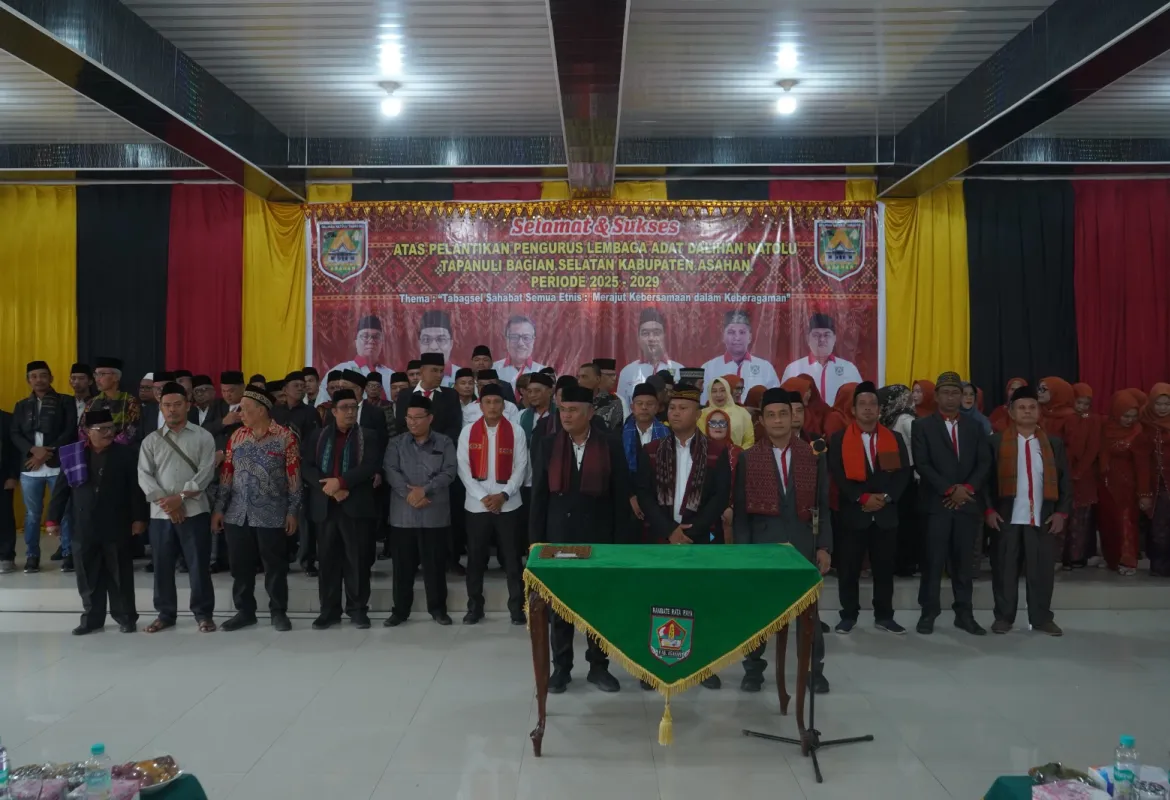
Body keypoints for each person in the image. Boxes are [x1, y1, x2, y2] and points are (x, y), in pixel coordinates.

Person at [529, 384, 628, 694]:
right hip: (559, 539)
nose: (566, 416)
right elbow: (539, 497)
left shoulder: (610, 444)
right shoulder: (548, 444)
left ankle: (599, 667)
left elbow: (620, 497)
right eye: (563, 410)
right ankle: (561, 668)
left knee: (599, 606)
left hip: (599, 538)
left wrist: (619, 546)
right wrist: (535, 544)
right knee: (560, 607)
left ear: (590, 412)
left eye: (573, 410)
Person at [732, 388, 831, 693]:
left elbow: (823, 505)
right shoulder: (749, 458)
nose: (778, 421)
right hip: (763, 546)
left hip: (803, 543)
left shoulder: (813, 455)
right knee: (759, 612)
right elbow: (741, 513)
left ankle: (813, 670)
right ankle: (753, 670)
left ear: (793, 416)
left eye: (783, 414)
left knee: (808, 612)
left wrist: (824, 546)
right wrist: (743, 553)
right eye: (771, 415)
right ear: (761, 420)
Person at [636, 381, 730, 689]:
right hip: (661, 536)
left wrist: (693, 531)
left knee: (699, 600)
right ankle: (654, 666)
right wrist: (669, 530)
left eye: (683, 408)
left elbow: (720, 497)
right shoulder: (652, 451)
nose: (675, 413)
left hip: (700, 538)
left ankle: (701, 666)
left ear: (698, 413)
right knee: (658, 600)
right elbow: (644, 494)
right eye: (673, 408)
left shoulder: (716, 451)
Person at [46, 409, 147, 634]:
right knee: (87, 575)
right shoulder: (74, 454)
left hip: (116, 523)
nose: (108, 433)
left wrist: (139, 518)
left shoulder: (126, 454)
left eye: (111, 428)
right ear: (87, 432)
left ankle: (126, 618)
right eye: (102, 429)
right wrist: (53, 519)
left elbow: (135, 490)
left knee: (120, 574)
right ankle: (92, 619)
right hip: (84, 525)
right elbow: (61, 490)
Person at [984, 385, 1071, 636]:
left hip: (1043, 517)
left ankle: (1042, 618)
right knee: (1004, 570)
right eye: (1021, 407)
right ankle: (1003, 617)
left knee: (1042, 571)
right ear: (1011, 413)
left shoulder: (1052, 443)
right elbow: (986, 481)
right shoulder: (996, 442)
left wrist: (1061, 512)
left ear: (1039, 412)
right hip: (1006, 516)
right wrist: (988, 510)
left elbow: (1065, 481)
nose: (1027, 411)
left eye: (1032, 407)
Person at [212, 388, 301, 632]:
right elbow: (227, 474)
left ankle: (278, 612)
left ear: (261, 411)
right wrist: (219, 508)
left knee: (275, 566)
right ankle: (245, 612)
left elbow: (294, 477)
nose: (240, 413)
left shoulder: (285, 437)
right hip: (237, 513)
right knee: (240, 566)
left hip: (272, 513)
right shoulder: (237, 436)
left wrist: (293, 511)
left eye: (245, 409)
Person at [910, 371, 992, 636]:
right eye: (945, 392)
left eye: (956, 392)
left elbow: (984, 462)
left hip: (967, 503)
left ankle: (964, 614)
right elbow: (922, 464)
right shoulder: (922, 426)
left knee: (963, 563)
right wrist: (949, 490)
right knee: (932, 562)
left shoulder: (975, 427)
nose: (951, 397)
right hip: (937, 505)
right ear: (936, 396)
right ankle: (928, 612)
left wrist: (966, 489)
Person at [827, 381, 912, 635]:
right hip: (854, 514)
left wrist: (885, 497)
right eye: (862, 404)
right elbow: (838, 475)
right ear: (853, 410)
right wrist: (861, 498)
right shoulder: (839, 439)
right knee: (849, 569)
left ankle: (884, 616)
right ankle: (848, 615)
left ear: (879, 409)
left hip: (885, 514)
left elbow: (902, 474)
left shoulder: (893, 438)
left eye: (872, 404)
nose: (867, 408)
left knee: (884, 569)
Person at [137, 381, 217, 632]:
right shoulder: (151, 440)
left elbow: (206, 473)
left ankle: (203, 614)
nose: (172, 410)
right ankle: (165, 614)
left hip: (195, 512)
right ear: (160, 407)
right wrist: (168, 504)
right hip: (161, 515)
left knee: (198, 566)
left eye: (177, 404)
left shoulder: (203, 436)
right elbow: (144, 476)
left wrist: (180, 498)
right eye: (167, 405)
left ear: (188, 405)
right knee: (162, 566)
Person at [302, 389, 382, 629]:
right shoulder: (317, 436)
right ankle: (329, 611)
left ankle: (358, 610)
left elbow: (370, 466)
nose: (350, 412)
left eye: (353, 407)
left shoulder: (368, 436)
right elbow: (306, 467)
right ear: (334, 411)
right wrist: (329, 488)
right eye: (345, 408)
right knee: (327, 562)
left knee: (357, 561)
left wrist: (342, 482)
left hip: (355, 505)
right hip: (326, 506)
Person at [456, 383, 529, 626]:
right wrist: (483, 497)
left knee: (512, 560)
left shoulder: (516, 431)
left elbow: (521, 467)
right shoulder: (468, 432)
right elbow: (463, 468)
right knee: (476, 560)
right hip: (477, 506)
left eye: (497, 402)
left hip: (509, 505)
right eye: (487, 402)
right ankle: (474, 608)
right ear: (480, 405)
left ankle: (517, 608)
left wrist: (503, 495)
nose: (492, 406)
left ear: (504, 405)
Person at [385, 395, 458, 626]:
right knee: (402, 568)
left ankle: (438, 610)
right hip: (403, 515)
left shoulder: (444, 442)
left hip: (434, 514)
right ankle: (400, 611)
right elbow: (391, 470)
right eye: (409, 418)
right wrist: (409, 494)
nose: (412, 422)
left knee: (435, 566)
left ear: (430, 418)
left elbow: (450, 471)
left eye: (418, 418)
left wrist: (424, 490)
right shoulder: (396, 443)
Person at [13, 360, 77, 574]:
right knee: (32, 515)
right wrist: (33, 450)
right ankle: (32, 556)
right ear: (28, 381)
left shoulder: (65, 401)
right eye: (34, 376)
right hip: (30, 467)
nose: (38, 380)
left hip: (58, 465)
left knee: (65, 512)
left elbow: (70, 430)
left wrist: (47, 451)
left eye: (43, 375)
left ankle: (68, 553)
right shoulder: (22, 405)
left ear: (51, 378)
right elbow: (15, 433)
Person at [1097, 390, 1151, 576]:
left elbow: (1143, 467)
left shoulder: (1138, 433)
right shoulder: (1105, 427)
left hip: (1127, 486)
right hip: (1105, 483)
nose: (1130, 420)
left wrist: (1144, 494)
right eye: (1126, 416)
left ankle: (1128, 561)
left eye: (1133, 416)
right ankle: (1112, 558)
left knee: (1126, 522)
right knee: (1107, 522)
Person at [878, 385, 921, 577]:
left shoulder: (898, 419)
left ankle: (904, 562)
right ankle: (903, 562)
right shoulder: (901, 418)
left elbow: (918, 444)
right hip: (904, 473)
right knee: (904, 521)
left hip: (904, 473)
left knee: (905, 521)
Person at [781, 313, 863, 409]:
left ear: (834, 338)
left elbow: (860, 400)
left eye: (826, 335)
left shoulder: (849, 368)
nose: (822, 339)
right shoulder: (793, 368)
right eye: (816, 335)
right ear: (808, 339)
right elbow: (783, 402)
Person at [623, 383, 670, 540]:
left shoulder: (668, 435)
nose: (644, 408)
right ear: (632, 407)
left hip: (659, 500)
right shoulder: (619, 434)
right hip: (627, 500)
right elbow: (617, 471)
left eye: (649, 404)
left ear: (657, 408)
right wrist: (631, 496)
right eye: (640, 404)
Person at [701, 310, 780, 402]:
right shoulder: (708, 368)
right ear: (723, 336)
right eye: (731, 332)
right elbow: (703, 402)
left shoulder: (765, 368)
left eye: (742, 332)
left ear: (750, 337)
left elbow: (775, 401)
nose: (737, 338)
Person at [1063, 382, 1102, 568]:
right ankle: (1063, 556)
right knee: (1065, 518)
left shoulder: (1092, 420)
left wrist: (1079, 471)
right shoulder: (1065, 418)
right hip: (1065, 474)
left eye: (1086, 404)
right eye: (1079, 402)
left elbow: (1093, 448)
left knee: (1081, 520)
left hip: (1084, 477)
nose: (1082, 407)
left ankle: (1077, 556)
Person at [318, 314, 394, 403]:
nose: (371, 341)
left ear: (382, 342)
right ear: (356, 341)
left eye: (376, 337)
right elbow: (322, 404)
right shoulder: (340, 371)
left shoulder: (390, 374)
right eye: (365, 336)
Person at [617, 308, 683, 409]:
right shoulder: (627, 372)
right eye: (645, 333)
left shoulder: (679, 369)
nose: (651, 338)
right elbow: (623, 408)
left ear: (665, 336)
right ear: (638, 338)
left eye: (656, 333)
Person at [396, 353, 461, 442]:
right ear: (422, 371)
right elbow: (401, 426)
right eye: (434, 370)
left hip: (442, 447)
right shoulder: (405, 395)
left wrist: (437, 445)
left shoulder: (451, 395)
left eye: (441, 371)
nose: (439, 375)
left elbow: (454, 427)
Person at [1142, 384, 1170, 577]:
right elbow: (1142, 461)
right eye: (1158, 403)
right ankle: (1159, 565)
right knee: (1159, 525)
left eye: (1167, 404)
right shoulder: (1144, 424)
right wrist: (1144, 492)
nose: (1162, 408)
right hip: (1157, 484)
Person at [82, 357, 142, 446]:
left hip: (120, 450)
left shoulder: (130, 402)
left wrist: (109, 445)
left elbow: (131, 430)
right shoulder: (92, 402)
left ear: (115, 377)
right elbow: (83, 429)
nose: (97, 379)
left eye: (101, 374)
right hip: (94, 450)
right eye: (96, 375)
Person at [699, 376, 755, 448]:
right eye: (714, 391)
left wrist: (737, 453)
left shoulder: (742, 413)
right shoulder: (701, 414)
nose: (718, 395)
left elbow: (749, 441)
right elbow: (698, 440)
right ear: (709, 393)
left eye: (723, 390)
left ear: (728, 392)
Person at [494, 315, 547, 389]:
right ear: (506, 340)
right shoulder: (493, 370)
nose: (520, 343)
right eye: (514, 337)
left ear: (533, 341)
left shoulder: (543, 372)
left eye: (526, 338)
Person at [417, 309, 461, 388]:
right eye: (426, 340)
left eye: (441, 340)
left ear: (451, 344)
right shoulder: (414, 375)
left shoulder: (460, 374)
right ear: (419, 344)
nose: (434, 347)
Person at [578, 363, 623, 432]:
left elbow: (616, 431)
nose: (579, 381)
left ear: (597, 379)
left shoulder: (613, 402)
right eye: (578, 377)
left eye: (584, 377)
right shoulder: (573, 400)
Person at [0, 410, 18, 574]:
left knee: (4, 516)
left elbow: (14, 450)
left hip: (3, 476)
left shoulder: (7, 419)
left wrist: (12, 476)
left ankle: (6, 556)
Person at [277, 371, 318, 439]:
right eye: (296, 385)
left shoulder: (311, 412)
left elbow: (314, 440)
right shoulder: (276, 411)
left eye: (303, 386)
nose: (300, 388)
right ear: (285, 390)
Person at [1038, 377, 1077, 441]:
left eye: (1043, 389)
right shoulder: (1038, 411)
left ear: (1057, 391)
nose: (1039, 392)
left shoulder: (1071, 418)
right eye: (1039, 389)